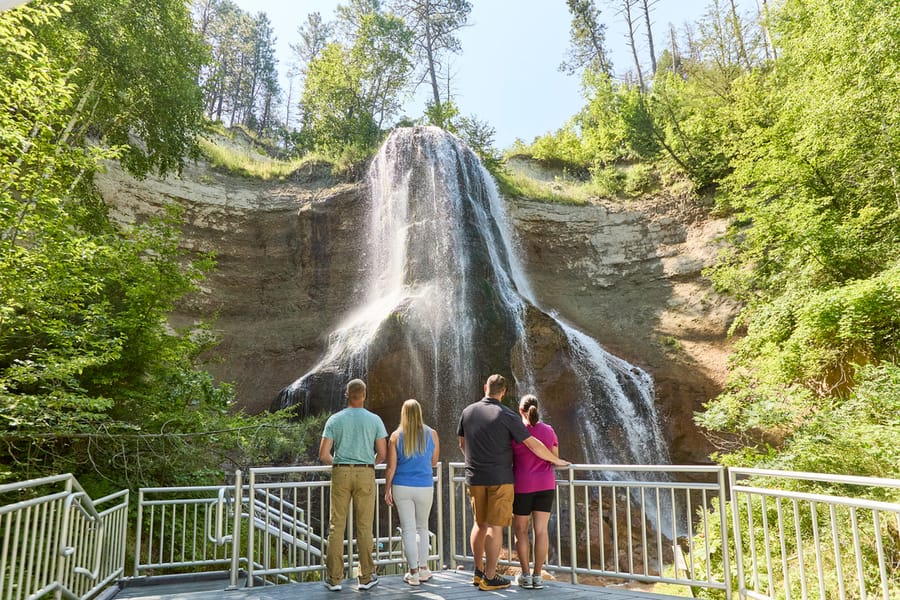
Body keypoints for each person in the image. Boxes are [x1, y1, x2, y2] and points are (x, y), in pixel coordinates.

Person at [457, 374, 569, 591]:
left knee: (479, 524)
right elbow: (532, 444)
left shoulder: (467, 412)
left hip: (475, 476)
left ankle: (478, 572)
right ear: (504, 392)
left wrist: (475, 462)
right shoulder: (508, 415)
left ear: (485, 388)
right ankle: (491, 576)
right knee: (495, 526)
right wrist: (557, 460)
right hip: (500, 479)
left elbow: (462, 444)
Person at [318, 379, 388, 592]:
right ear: (364, 395)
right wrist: (368, 465)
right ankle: (365, 578)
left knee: (336, 526)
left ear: (347, 394)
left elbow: (323, 454)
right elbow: (383, 453)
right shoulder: (375, 420)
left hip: (341, 472)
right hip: (365, 472)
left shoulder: (335, 419)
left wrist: (338, 463)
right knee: (365, 527)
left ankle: (334, 579)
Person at [383, 399, 441, 586]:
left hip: (402, 486)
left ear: (403, 414)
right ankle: (424, 569)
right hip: (424, 486)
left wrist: (387, 489)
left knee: (408, 529)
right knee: (423, 528)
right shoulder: (432, 434)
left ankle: (413, 572)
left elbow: (391, 467)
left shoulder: (396, 436)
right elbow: (433, 462)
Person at [512, 394, 559, 589]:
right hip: (546, 484)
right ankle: (538, 576)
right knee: (541, 531)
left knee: (521, 531)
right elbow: (554, 458)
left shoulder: (516, 432)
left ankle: (525, 575)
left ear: (520, 410)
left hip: (522, 485)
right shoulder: (549, 431)